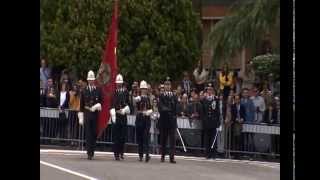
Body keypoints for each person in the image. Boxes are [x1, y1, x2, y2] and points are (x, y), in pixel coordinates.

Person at [79, 70, 102, 160]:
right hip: (88, 114)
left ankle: (92, 150)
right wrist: (80, 117)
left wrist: (97, 106)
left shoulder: (98, 90)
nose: (91, 81)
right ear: (88, 80)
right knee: (88, 134)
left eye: (92, 80)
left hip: (95, 115)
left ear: (94, 80)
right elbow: (81, 105)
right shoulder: (84, 91)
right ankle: (89, 152)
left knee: (94, 133)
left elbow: (101, 102)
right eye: (89, 80)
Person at [110, 74, 130, 161]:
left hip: (123, 116)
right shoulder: (113, 92)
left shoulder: (126, 92)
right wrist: (114, 113)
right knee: (116, 136)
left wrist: (125, 109)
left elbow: (129, 104)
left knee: (123, 136)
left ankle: (121, 152)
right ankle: (116, 154)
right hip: (116, 116)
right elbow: (111, 105)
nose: (119, 84)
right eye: (117, 83)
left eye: (120, 82)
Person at [158, 78, 178, 163]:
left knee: (172, 140)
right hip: (164, 120)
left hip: (172, 121)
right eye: (166, 85)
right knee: (163, 139)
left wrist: (173, 113)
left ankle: (172, 157)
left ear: (170, 86)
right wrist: (169, 110)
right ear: (164, 86)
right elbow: (161, 107)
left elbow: (176, 107)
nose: (167, 86)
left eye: (169, 85)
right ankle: (162, 156)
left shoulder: (174, 96)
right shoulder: (161, 95)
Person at [134, 80, 153, 162]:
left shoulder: (149, 98)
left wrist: (149, 112)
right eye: (142, 89)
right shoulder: (138, 98)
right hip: (139, 119)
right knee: (140, 138)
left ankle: (147, 154)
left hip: (146, 120)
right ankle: (141, 155)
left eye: (144, 89)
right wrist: (136, 99)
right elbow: (134, 104)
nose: (144, 90)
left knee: (146, 138)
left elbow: (151, 108)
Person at [201, 83, 220, 159]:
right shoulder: (204, 100)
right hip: (206, 121)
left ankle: (213, 154)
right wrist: (203, 120)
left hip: (213, 122)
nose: (209, 91)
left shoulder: (216, 99)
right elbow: (202, 111)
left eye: (211, 89)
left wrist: (218, 122)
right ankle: (207, 154)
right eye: (208, 89)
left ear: (213, 91)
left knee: (213, 139)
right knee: (207, 139)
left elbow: (217, 111)